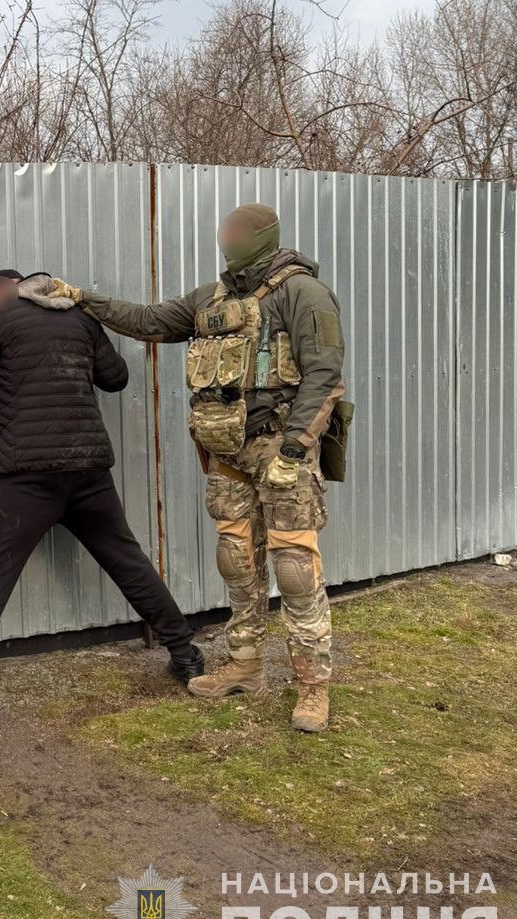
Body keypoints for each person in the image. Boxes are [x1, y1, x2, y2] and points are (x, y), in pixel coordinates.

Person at [42, 203, 346, 733]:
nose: (226, 238)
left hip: (281, 450)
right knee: (236, 561)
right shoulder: (212, 298)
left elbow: (324, 375)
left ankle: (313, 687)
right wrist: (82, 298)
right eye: (224, 230)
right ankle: (245, 667)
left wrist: (295, 448)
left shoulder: (304, 293)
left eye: (237, 231)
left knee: (295, 568)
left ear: (265, 236)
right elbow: (151, 321)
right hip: (226, 455)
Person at [0, 269, 205, 734]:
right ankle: (187, 656)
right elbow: (116, 378)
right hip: (87, 470)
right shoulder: (78, 317)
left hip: (27, 476)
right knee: (128, 563)